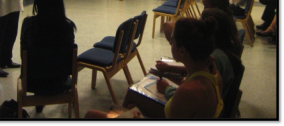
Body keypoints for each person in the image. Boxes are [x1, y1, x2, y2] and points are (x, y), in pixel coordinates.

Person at [85, 17, 223, 118]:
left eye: (172, 41)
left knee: (91, 115)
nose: (170, 43)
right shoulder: (212, 71)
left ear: (182, 51)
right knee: (131, 105)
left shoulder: (187, 92)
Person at [20, 0, 77, 113]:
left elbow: (24, 55)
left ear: (37, 2)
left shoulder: (28, 25)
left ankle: (40, 98)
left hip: (32, 81)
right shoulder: (67, 27)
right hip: (59, 81)